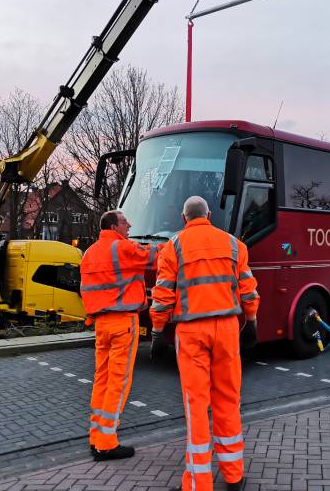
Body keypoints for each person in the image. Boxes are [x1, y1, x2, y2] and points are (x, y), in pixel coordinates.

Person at [150, 196, 260, 491]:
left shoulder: (173, 246)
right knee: (228, 400)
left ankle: (199, 483)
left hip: (191, 331)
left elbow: (163, 295)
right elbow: (248, 288)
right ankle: (234, 475)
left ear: (184, 218)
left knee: (196, 405)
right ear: (209, 214)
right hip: (227, 328)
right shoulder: (235, 245)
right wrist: (251, 320)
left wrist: (158, 332)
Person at [80, 210, 161, 461]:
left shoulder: (90, 252)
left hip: (101, 324)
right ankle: (107, 443)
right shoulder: (121, 248)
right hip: (123, 322)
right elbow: (154, 258)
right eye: (126, 222)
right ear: (115, 226)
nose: (130, 225)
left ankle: (95, 438)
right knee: (119, 382)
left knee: (102, 380)